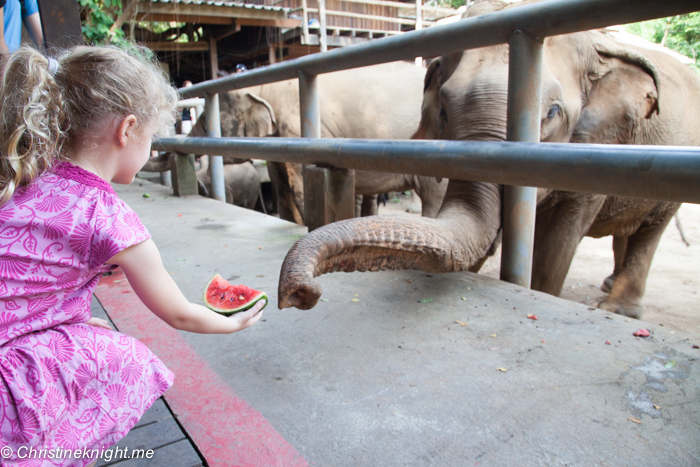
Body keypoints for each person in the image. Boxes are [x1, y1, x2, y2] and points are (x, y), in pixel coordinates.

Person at [0, 45, 265, 466]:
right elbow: (178, 313)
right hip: (5, 384)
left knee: (89, 326)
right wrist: (233, 323)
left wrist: (60, 315)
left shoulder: (27, 177)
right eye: (152, 139)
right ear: (127, 130)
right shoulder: (109, 218)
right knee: (128, 359)